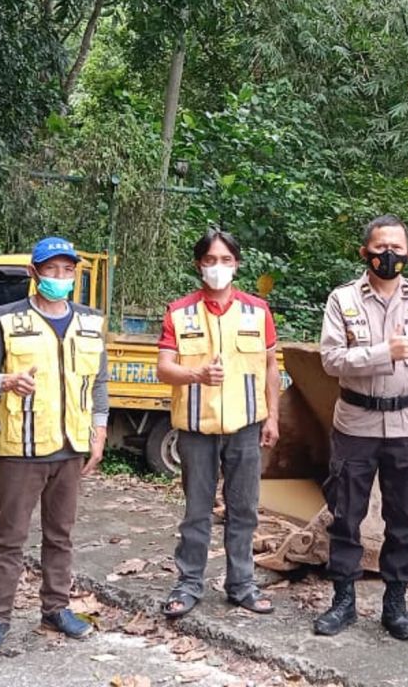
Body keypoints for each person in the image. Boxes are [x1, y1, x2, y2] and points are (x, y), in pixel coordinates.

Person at [313, 214, 408, 640]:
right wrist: (382, 354)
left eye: (396, 248)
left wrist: (406, 393)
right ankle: (344, 601)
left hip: (407, 425)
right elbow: (331, 360)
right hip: (355, 423)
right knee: (346, 516)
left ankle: (395, 603)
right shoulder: (343, 300)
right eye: (379, 248)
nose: (387, 255)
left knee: (404, 517)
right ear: (365, 252)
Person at [0, 236, 109, 655]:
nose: (61, 278)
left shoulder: (89, 322)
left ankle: (56, 607)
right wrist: (3, 381)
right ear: (35, 274)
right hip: (22, 447)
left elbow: (98, 382)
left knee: (60, 535)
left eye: (68, 271)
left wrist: (98, 431)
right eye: (52, 270)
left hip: (70, 446)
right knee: (11, 537)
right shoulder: (7, 319)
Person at [157, 229, 280, 619]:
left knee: (244, 510)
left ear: (237, 264)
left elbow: (270, 368)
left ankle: (241, 584)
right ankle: (188, 584)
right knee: (197, 511)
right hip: (196, 428)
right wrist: (196, 376)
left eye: (225, 260)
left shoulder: (257, 311)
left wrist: (272, 417)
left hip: (246, 426)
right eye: (210, 260)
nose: (218, 267)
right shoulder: (179, 312)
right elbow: (164, 368)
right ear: (199, 265)